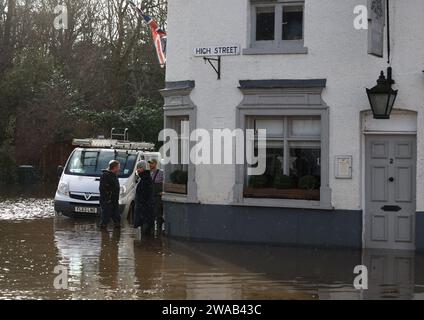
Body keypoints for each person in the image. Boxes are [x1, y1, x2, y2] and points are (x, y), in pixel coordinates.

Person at [99, 160, 121, 230]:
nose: (119, 169)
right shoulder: (105, 175)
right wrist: (108, 199)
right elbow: (102, 189)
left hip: (114, 201)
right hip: (108, 201)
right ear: (114, 168)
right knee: (105, 219)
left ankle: (116, 238)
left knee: (117, 219)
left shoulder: (114, 175)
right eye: (118, 167)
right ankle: (104, 238)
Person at [134, 160, 154, 235]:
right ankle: (145, 245)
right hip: (143, 209)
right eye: (137, 168)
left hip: (145, 210)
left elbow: (145, 195)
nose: (137, 170)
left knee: (146, 231)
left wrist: (142, 207)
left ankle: (146, 245)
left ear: (143, 168)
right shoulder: (143, 178)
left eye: (139, 168)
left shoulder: (145, 179)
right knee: (144, 230)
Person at [148, 159, 164, 233]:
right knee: (151, 214)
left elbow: (165, 182)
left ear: (156, 164)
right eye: (150, 163)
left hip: (158, 196)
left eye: (152, 163)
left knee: (158, 214)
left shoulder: (161, 172)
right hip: (150, 196)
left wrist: (163, 191)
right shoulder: (148, 173)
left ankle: (159, 230)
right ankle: (152, 231)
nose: (150, 165)